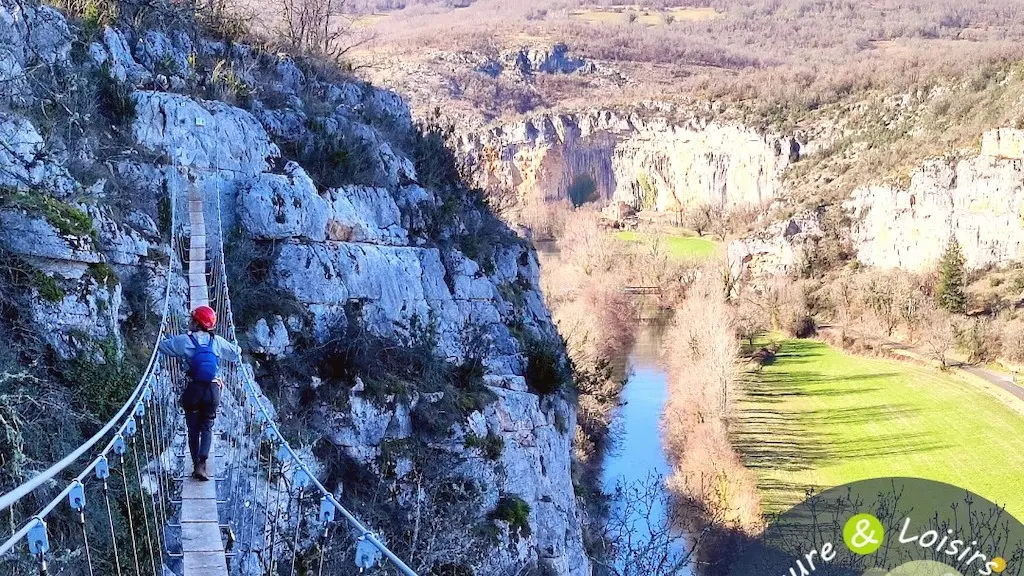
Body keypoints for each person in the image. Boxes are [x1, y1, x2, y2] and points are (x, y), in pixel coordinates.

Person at [158, 305, 241, 481]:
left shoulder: (184, 341)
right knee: (207, 426)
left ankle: (196, 464)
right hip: (212, 390)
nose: (189, 322)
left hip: (193, 389)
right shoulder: (216, 341)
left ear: (197, 323)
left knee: (193, 429)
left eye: (192, 320)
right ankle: (203, 464)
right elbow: (236, 354)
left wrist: (168, 338)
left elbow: (163, 347)